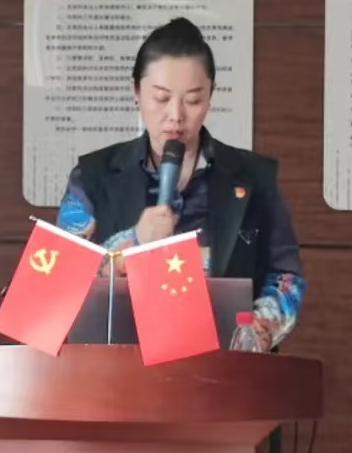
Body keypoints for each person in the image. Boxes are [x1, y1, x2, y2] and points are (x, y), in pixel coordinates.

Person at [54, 17, 305, 351]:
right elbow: (57, 287)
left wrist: (255, 333)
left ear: (211, 96)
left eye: (193, 99)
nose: (176, 115)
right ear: (136, 92)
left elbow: (285, 275)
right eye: (161, 98)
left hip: (225, 369)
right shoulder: (92, 176)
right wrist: (134, 241)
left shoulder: (253, 177)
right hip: (116, 371)